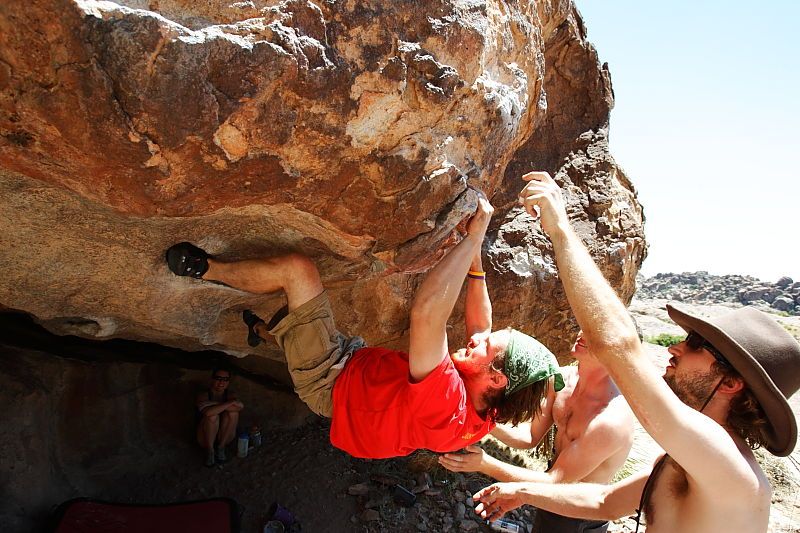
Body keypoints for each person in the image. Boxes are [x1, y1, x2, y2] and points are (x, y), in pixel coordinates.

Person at [474, 171, 800, 533]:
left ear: (730, 384)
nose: (676, 347)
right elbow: (604, 502)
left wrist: (561, 230)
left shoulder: (728, 468)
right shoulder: (685, 461)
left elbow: (618, 345)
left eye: (696, 345)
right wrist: (523, 492)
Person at [166, 191, 564, 459]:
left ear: (497, 378)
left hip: (329, 380)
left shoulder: (447, 407)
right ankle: (259, 331)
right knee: (293, 332)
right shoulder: (490, 409)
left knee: (298, 272)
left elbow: (428, 313)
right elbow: (481, 324)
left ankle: (204, 269)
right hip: (354, 365)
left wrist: (473, 238)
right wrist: (475, 261)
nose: (478, 339)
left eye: (488, 346)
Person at [440, 330, 635, 533]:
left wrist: (484, 464)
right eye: (585, 326)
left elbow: (557, 480)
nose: (583, 334)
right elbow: (529, 437)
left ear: (616, 353)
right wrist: (480, 419)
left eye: (596, 334)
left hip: (579, 514)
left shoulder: (609, 421)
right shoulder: (563, 380)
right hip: (551, 492)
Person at [196, 367, 244, 467]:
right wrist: (230, 403)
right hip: (205, 438)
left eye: (225, 379)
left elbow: (239, 408)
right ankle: (210, 451)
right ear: (212, 379)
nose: (222, 382)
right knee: (212, 417)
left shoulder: (230, 395)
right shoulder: (204, 395)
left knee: (233, 414)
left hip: (224, 437)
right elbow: (208, 413)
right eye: (218, 378)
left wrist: (213, 404)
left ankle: (221, 447)